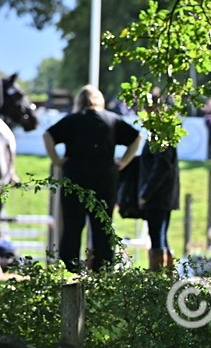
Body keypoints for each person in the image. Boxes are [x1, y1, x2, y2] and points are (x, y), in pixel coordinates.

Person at [44, 85, 143, 272]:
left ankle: (70, 266)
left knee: (72, 224)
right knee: (103, 225)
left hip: (75, 175)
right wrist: (122, 162)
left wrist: (57, 160)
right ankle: (103, 268)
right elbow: (136, 138)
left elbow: (48, 135)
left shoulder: (73, 120)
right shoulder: (112, 120)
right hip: (105, 176)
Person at [138, 115, 181, 272]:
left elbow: (161, 167)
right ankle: (166, 273)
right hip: (163, 195)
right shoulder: (164, 136)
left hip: (158, 196)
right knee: (160, 236)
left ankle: (157, 274)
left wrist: (145, 193)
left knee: (157, 237)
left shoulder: (160, 139)